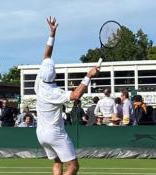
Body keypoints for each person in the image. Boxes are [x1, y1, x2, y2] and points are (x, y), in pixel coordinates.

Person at [34, 17, 99, 175]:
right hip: (55, 133)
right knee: (73, 166)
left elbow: (46, 55)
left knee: (57, 162)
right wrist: (88, 76)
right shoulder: (56, 93)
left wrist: (52, 34)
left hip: (41, 134)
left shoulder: (38, 82)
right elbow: (76, 95)